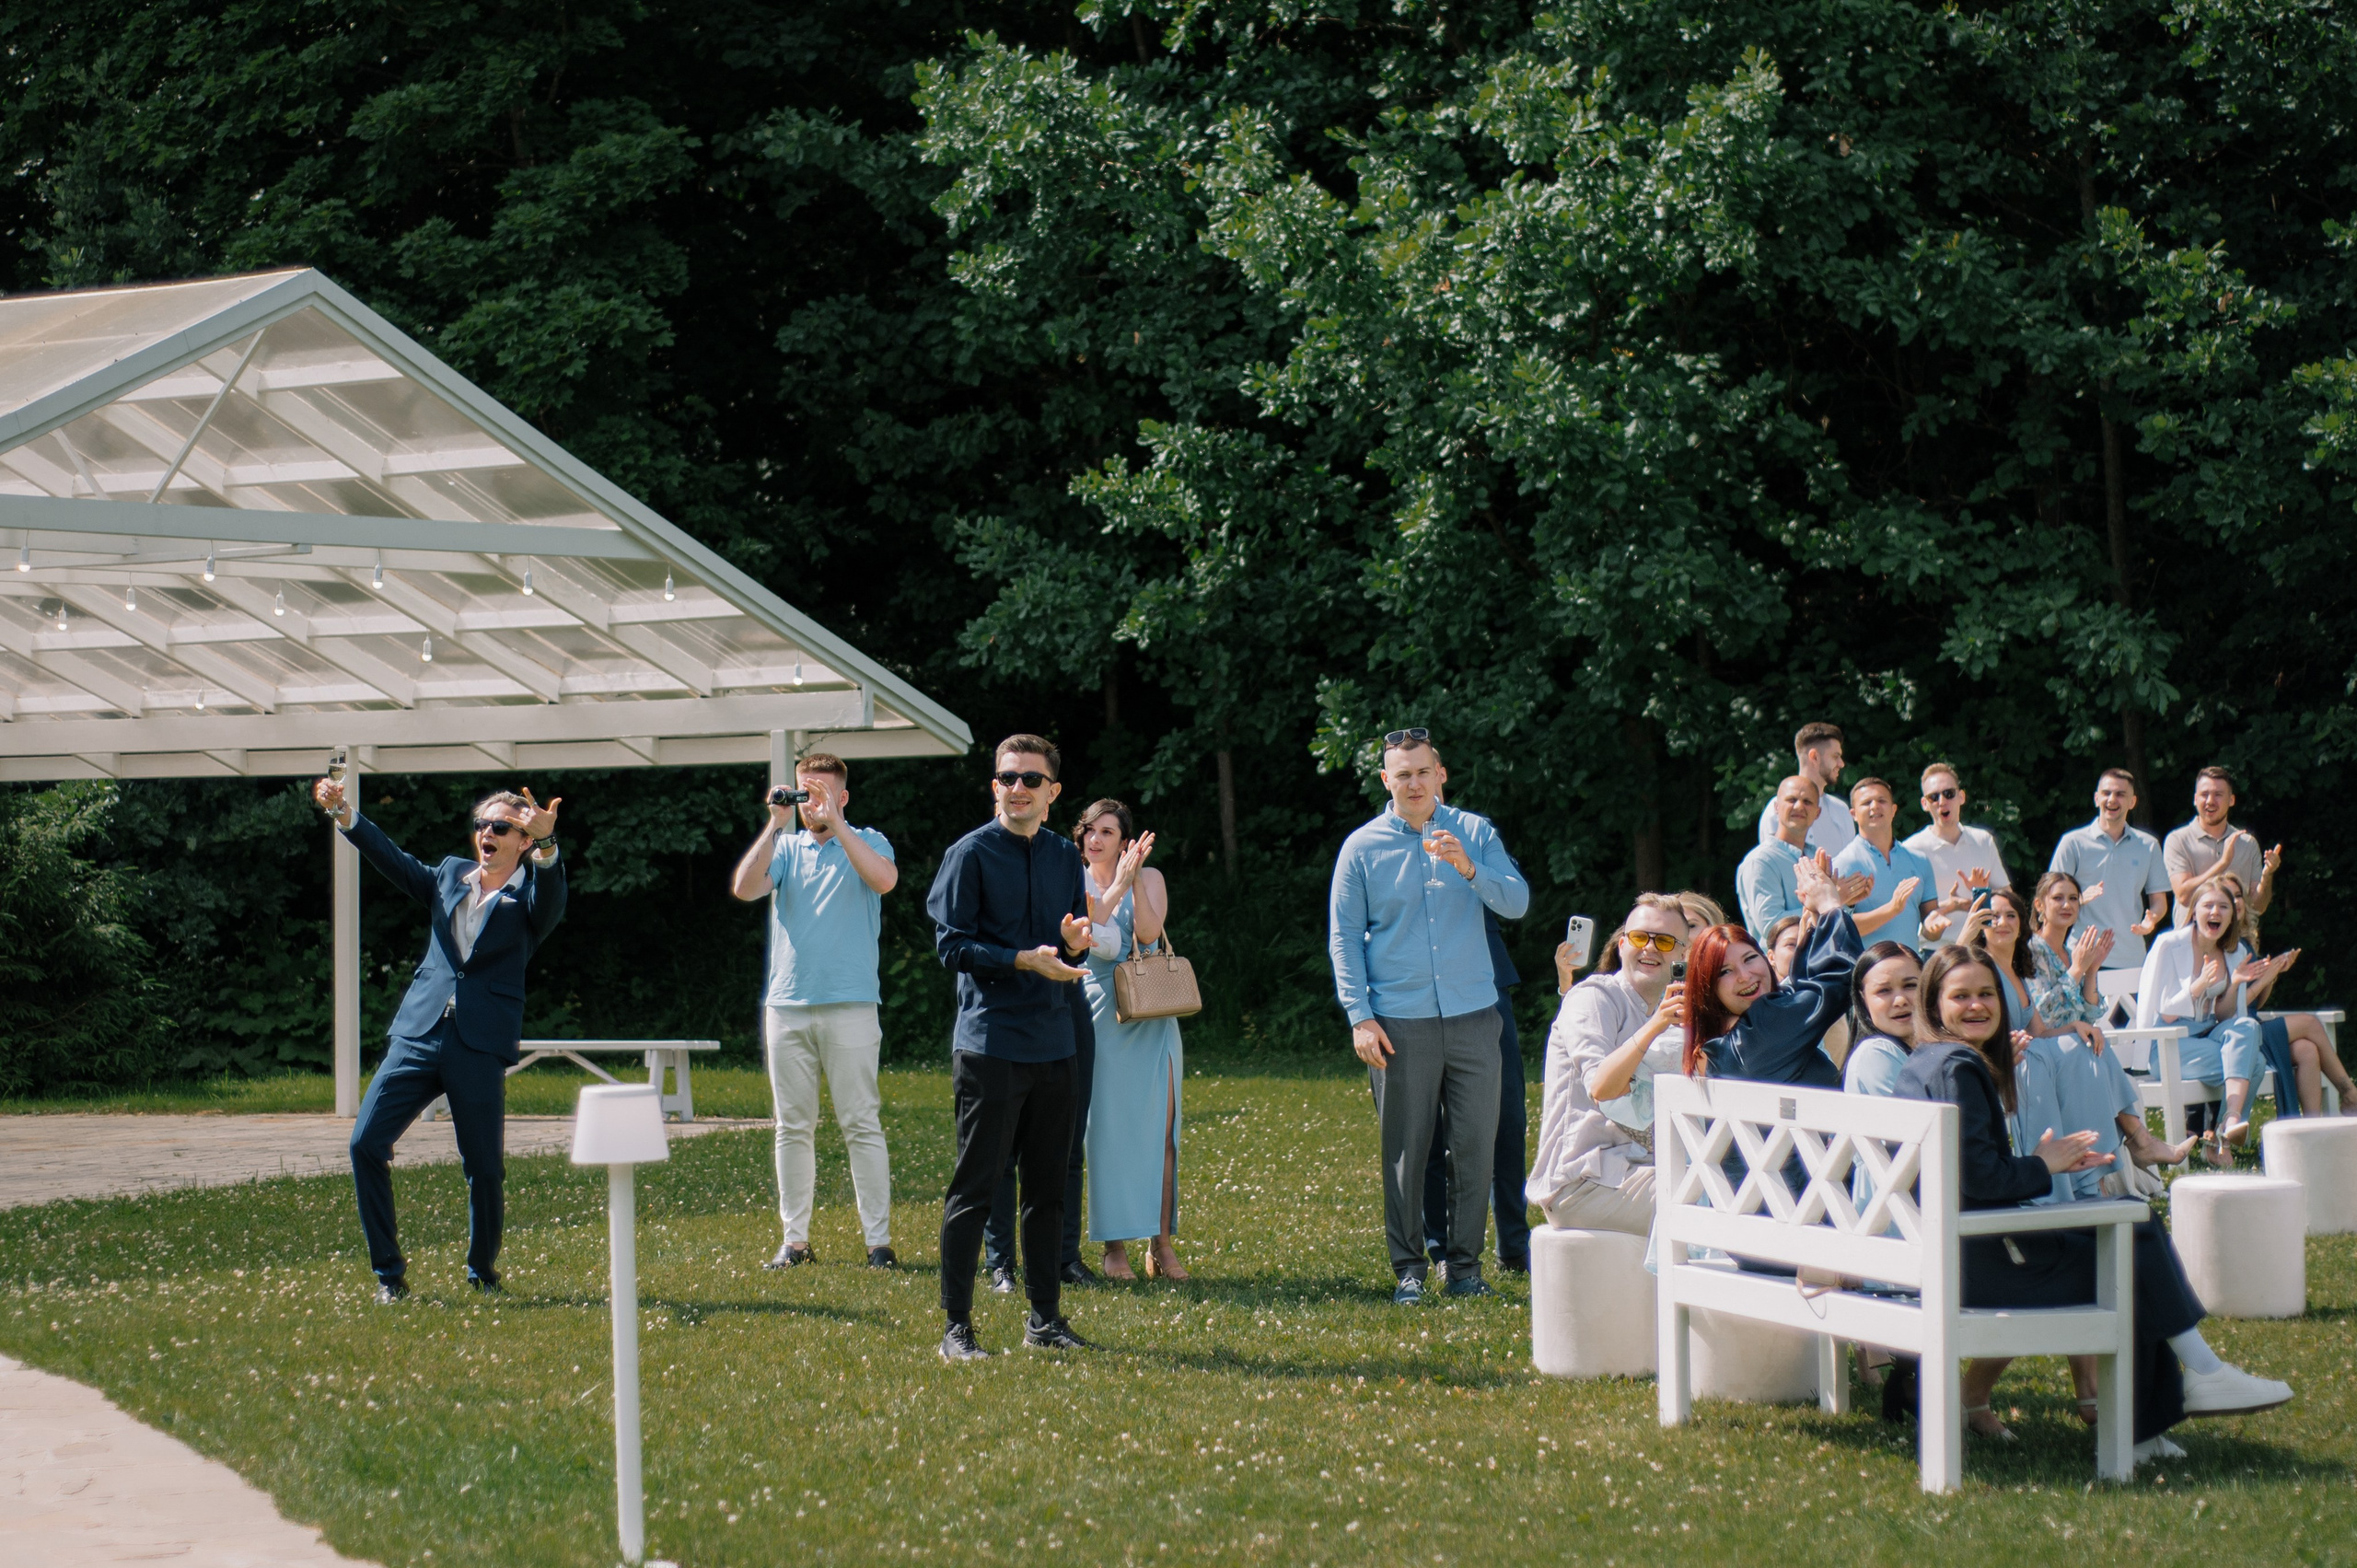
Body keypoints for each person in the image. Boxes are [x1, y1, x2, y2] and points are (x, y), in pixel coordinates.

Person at [1892, 943, 2293, 1460]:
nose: (1977, 1006)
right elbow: (1984, 1180)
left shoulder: (1928, 1062)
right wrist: (2045, 1164)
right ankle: (2195, 1381)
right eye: (1961, 996)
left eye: (1986, 994)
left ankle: (2156, 1423)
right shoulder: (1959, 1069)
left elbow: (1967, 1175)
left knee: (2130, 1234)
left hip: (1960, 1252)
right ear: (1934, 1005)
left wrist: (2038, 1161)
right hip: (1981, 1266)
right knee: (2131, 1243)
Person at [311, 776, 564, 1302]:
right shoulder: (449, 875)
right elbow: (393, 859)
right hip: (418, 1034)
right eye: (481, 825)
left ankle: (482, 1271)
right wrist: (345, 815)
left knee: (485, 1169)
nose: (487, 833)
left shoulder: (531, 898)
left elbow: (553, 898)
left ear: (520, 840)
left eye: (500, 826)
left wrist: (548, 844)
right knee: (365, 1144)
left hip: (478, 1043)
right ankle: (389, 1276)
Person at [1329, 728, 1529, 1305]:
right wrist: (1360, 1016)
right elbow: (1344, 940)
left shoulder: (1476, 833)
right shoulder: (1361, 849)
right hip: (1398, 1021)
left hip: (1474, 1015)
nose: (1413, 782)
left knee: (1474, 1147)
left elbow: (1516, 903)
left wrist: (1470, 868)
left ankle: (1465, 1270)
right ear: (1386, 780)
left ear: (1440, 774)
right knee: (1406, 1150)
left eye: (1423, 771)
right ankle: (1410, 1269)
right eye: (1402, 774)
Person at [927, 734, 1097, 1362]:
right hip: (990, 1044)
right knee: (975, 1188)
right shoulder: (968, 855)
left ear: (1052, 793)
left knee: (1049, 1190)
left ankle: (1045, 1319)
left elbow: (1071, 937)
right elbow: (952, 946)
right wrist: (1020, 960)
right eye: (1007, 778)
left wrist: (1076, 941)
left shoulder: (1061, 856)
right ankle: (957, 1327)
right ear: (994, 786)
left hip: (1056, 1042)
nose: (1017, 788)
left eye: (1031, 779)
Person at [727, 752, 900, 1271]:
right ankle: (795, 1242)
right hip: (786, 1005)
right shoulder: (786, 847)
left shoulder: (868, 840)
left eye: (821, 792)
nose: (812, 802)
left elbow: (885, 881)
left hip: (850, 1004)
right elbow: (744, 888)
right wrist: (775, 824)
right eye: (805, 792)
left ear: (843, 797)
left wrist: (839, 825)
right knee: (791, 1126)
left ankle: (879, 1244)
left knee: (860, 1123)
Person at [1963, 887, 2188, 1183]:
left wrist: (2075, 1027)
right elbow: (1946, 977)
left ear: (2020, 923)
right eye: (1993, 917)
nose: (2002, 922)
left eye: (2010, 915)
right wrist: (1964, 937)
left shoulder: (2017, 972)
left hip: (2036, 1056)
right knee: (2076, 1055)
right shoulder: (1977, 967)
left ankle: (2101, 1171)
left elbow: (2040, 1031)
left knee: (2088, 1043)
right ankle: (2124, 1152)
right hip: (2007, 1066)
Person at [2134, 878, 2331, 1163]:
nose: (2215, 912)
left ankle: (2230, 1120)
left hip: (2209, 1035)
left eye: (2223, 907)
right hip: (2168, 1044)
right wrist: (2198, 985)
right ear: (2194, 911)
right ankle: (2220, 1143)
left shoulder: (2234, 952)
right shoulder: (2168, 944)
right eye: (2208, 905)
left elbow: (2229, 1016)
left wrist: (2242, 981)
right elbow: (2163, 1012)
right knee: (2256, 1062)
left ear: (2232, 915)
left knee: (2248, 1027)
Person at [1072, 799, 1188, 1282]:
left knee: (1163, 1137)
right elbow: (1084, 936)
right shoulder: (1072, 880)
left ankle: (1160, 1245)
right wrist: (1115, 882)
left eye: (1109, 832)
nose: (1097, 840)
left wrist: (1136, 874)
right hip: (1098, 1013)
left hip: (1152, 1014)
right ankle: (1112, 1247)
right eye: (1090, 831)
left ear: (1125, 841)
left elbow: (1146, 934)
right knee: (1105, 1137)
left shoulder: (1152, 878)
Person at [1525, 895, 1688, 1237]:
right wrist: (1655, 1025)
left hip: (1645, 1169)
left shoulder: (1675, 1009)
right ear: (1623, 943)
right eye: (1641, 938)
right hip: (1583, 1181)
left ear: (1682, 954)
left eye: (1665, 941)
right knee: (1704, 1202)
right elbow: (1600, 1086)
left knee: (1731, 1185)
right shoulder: (1592, 997)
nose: (1651, 949)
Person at [1687, 852, 1861, 1088]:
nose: (1745, 975)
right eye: (1724, 972)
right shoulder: (1759, 1032)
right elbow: (1839, 982)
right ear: (1707, 989)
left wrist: (1815, 918)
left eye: (1749, 958)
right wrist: (1830, 905)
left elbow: (1798, 995)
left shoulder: (1721, 1043)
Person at [2048, 769, 2169, 970]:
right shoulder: (2072, 842)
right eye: (2106, 793)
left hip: (2132, 959)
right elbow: (2049, 897)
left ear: (2132, 802)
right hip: (2080, 958)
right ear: (2096, 798)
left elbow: (2159, 903)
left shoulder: (2149, 845)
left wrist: (2152, 920)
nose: (2112, 799)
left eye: (2121, 794)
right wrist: (2078, 899)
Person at [1901, 761, 2008, 946]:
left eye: (1949, 794)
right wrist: (1950, 906)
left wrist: (1982, 894)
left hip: (1983, 948)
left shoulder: (1983, 840)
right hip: (1936, 951)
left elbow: (2007, 898)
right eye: (1934, 797)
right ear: (1924, 804)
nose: (1942, 802)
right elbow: (1904, 912)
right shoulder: (1911, 849)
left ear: (1961, 797)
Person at [2163, 767, 2279, 929]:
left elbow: (2257, 907)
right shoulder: (2178, 840)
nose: (2210, 801)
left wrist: (2267, 876)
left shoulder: (2247, 843)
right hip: (2192, 944)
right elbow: (2184, 896)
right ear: (2195, 799)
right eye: (2204, 795)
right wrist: (2223, 863)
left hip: (2238, 946)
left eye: (2218, 795)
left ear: (2231, 800)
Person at [1830, 777, 1937, 947]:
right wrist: (1891, 909)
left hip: (1912, 968)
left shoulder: (1919, 860)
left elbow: (1930, 926)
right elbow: (1838, 929)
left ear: (1894, 810)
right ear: (1853, 814)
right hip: (1867, 970)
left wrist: (1937, 925)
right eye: (1866, 803)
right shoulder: (1843, 864)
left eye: (1882, 800)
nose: (1875, 806)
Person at [1753, 721, 1856, 856]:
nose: (1841, 764)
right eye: (1835, 756)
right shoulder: (1777, 810)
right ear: (1814, 756)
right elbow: (1774, 866)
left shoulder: (1841, 810)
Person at [1840, 941, 1922, 1098]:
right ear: (1863, 999)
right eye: (1884, 990)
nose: (1900, 1000)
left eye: (1910, 985)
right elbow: (1919, 1120)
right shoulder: (1876, 1054)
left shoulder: (1929, 1050)